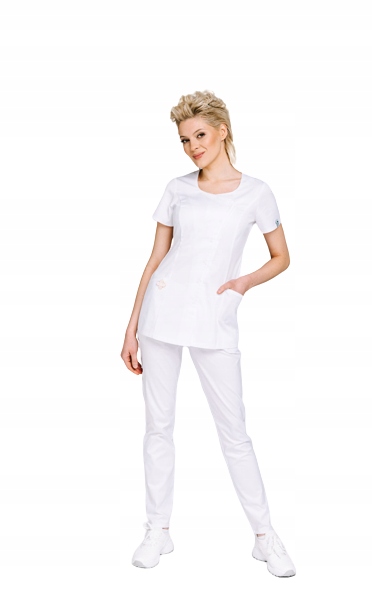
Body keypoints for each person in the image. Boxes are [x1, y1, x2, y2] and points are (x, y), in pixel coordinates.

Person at [120, 90, 296, 578]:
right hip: (160, 314)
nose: (193, 146)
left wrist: (243, 283)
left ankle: (264, 535)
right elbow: (155, 259)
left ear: (222, 130)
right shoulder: (176, 189)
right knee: (158, 426)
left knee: (234, 431)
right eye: (184, 140)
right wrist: (132, 327)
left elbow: (282, 257)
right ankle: (158, 529)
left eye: (199, 135)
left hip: (214, 318)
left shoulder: (256, 192)